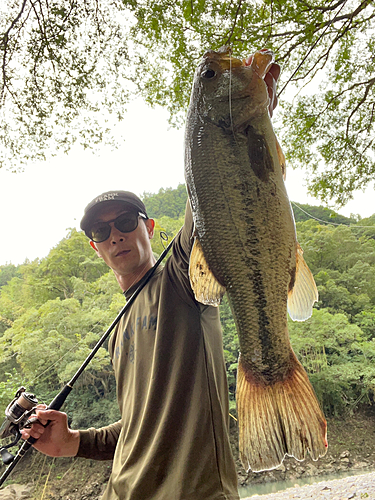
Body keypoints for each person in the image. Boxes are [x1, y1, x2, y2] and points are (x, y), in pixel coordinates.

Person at [21, 61, 280, 500]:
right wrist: (74, 442)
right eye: (101, 231)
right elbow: (137, 426)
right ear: (95, 248)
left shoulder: (184, 277)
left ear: (151, 227)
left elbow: (212, 202)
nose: (115, 233)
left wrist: (241, 120)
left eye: (125, 220)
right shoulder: (118, 329)